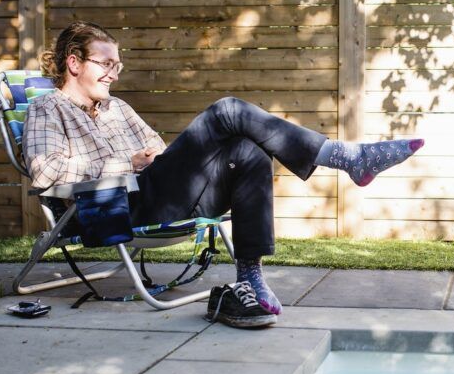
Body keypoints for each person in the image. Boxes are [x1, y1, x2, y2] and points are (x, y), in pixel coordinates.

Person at [23, 21, 423, 327]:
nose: (114, 73)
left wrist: (151, 158)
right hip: (112, 209)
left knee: (248, 151)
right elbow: (45, 172)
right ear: (74, 63)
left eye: (117, 64)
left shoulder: (118, 108)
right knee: (228, 110)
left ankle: (249, 277)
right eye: (105, 63)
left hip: (159, 193)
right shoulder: (47, 110)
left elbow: (159, 150)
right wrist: (128, 163)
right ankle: (348, 157)